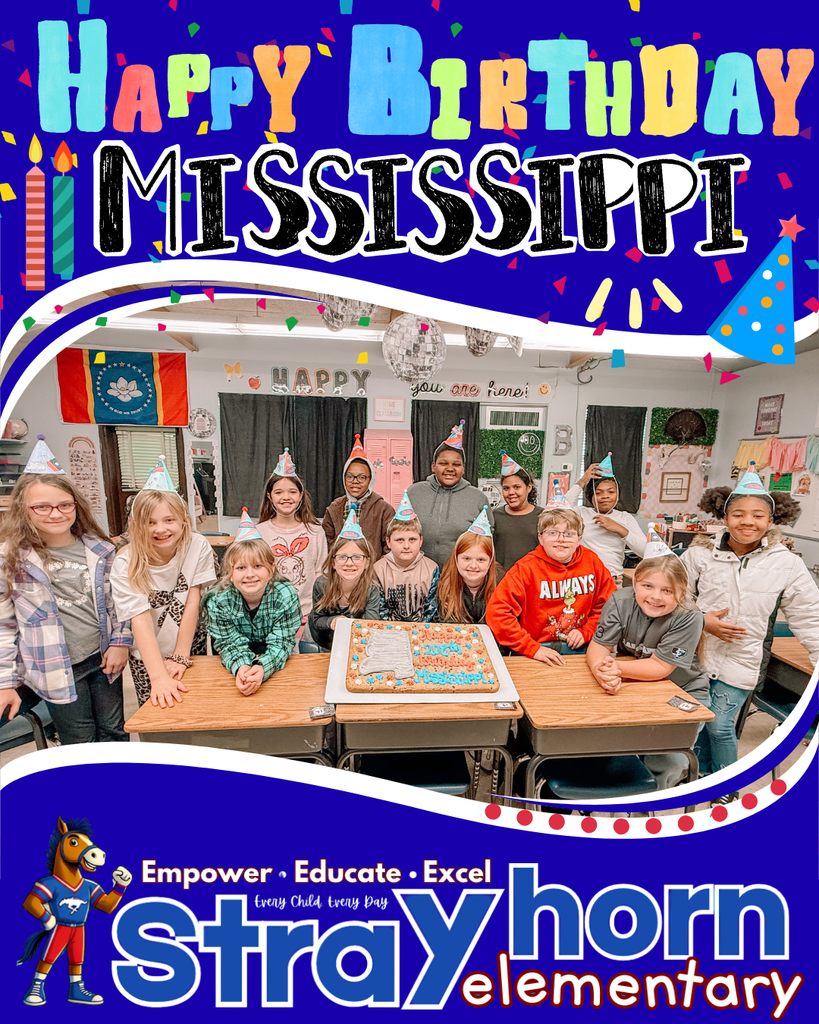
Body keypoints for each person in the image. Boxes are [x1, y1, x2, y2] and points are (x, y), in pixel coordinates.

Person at [681, 464, 819, 793]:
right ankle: (698, 780)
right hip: (699, 654)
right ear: (725, 517)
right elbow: (678, 598)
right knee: (696, 723)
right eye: (738, 513)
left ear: (771, 521)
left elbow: (808, 613)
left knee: (721, 725)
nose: (747, 522)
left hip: (743, 658)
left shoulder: (786, 563)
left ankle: (726, 788)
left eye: (758, 515)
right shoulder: (700, 553)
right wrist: (702, 620)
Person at [0, 437, 131, 743]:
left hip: (102, 659)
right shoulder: (10, 559)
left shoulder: (101, 551)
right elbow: (4, 627)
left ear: (75, 506)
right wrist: (5, 682)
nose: (55, 513)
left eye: (63, 505)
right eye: (42, 506)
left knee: (114, 730)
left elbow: (120, 603)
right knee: (79, 739)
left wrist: (121, 642)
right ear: (24, 508)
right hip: (54, 668)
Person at [587, 542, 709, 789]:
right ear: (635, 583)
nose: (655, 596)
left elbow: (660, 667)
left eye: (667, 590)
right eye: (647, 586)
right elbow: (598, 646)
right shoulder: (620, 601)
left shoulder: (689, 615)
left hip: (680, 691)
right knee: (607, 747)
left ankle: (651, 805)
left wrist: (616, 669)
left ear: (682, 591)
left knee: (668, 761)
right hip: (634, 688)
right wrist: (602, 673)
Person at [111, 457, 216, 708]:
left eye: (169, 520)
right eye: (150, 522)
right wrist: (157, 676)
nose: (160, 529)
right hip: (147, 654)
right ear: (137, 525)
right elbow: (140, 620)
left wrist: (181, 656)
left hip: (190, 645)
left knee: (194, 709)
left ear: (183, 520)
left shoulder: (197, 545)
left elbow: (192, 601)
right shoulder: (125, 562)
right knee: (158, 710)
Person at [486, 488, 616, 663]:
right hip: (537, 650)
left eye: (569, 533)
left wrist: (587, 630)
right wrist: (530, 648)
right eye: (552, 533)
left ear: (579, 538)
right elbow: (498, 613)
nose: (561, 539)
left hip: (584, 647)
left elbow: (609, 606)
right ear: (540, 537)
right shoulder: (525, 568)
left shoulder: (592, 562)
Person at [206, 511, 301, 695]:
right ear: (230, 573)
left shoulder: (285, 596)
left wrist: (262, 667)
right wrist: (241, 667)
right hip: (234, 663)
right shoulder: (218, 601)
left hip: (278, 661)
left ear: (271, 569)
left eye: (257, 566)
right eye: (241, 568)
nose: (250, 574)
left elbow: (282, 642)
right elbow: (228, 643)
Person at [257, 448, 328, 645]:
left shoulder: (315, 532)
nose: (285, 497)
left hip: (308, 616)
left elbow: (322, 572)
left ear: (300, 495)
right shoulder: (260, 532)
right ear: (270, 497)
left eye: (292, 491)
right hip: (270, 617)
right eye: (278, 492)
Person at [407, 420, 494, 568]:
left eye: (456, 464)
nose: (450, 468)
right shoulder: (413, 493)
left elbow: (486, 541)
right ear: (433, 466)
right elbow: (400, 531)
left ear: (463, 469)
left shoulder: (478, 499)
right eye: (443, 463)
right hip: (417, 572)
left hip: (460, 575)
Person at [566, 453, 646, 585]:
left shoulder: (624, 518)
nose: (605, 496)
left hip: (612, 579)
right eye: (598, 492)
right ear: (590, 496)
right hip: (583, 579)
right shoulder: (581, 513)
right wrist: (583, 480)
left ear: (618, 494)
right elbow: (564, 505)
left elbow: (644, 551)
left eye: (611, 491)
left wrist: (620, 529)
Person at [308, 511, 381, 651]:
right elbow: (317, 620)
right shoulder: (321, 584)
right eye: (342, 557)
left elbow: (370, 624)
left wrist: (348, 624)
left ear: (367, 562)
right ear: (333, 562)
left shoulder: (371, 588)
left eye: (357, 557)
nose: (349, 563)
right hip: (323, 640)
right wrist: (333, 621)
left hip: (356, 642)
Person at [322, 434, 395, 555]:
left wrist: (376, 569)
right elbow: (327, 542)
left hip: (373, 571)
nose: (355, 481)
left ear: (370, 480)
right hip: (342, 569)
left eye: (362, 477)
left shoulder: (384, 510)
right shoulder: (334, 508)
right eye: (350, 476)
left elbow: (389, 546)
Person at [374, 492, 439, 621]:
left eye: (412, 540)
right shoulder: (378, 569)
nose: (406, 546)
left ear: (420, 541)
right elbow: (380, 610)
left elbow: (432, 610)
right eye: (399, 540)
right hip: (389, 633)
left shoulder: (431, 569)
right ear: (388, 542)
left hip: (422, 632)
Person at [437, 507, 505, 624]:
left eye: (481, 560)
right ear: (456, 559)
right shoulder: (446, 583)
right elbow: (446, 622)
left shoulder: (501, 584)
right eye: (467, 558)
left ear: (490, 562)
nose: (473, 565)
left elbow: (503, 622)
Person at [492, 450, 544, 571]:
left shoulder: (543, 516)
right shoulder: (495, 516)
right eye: (506, 488)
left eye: (517, 487)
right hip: (501, 581)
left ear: (529, 487)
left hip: (532, 579)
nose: (511, 492)